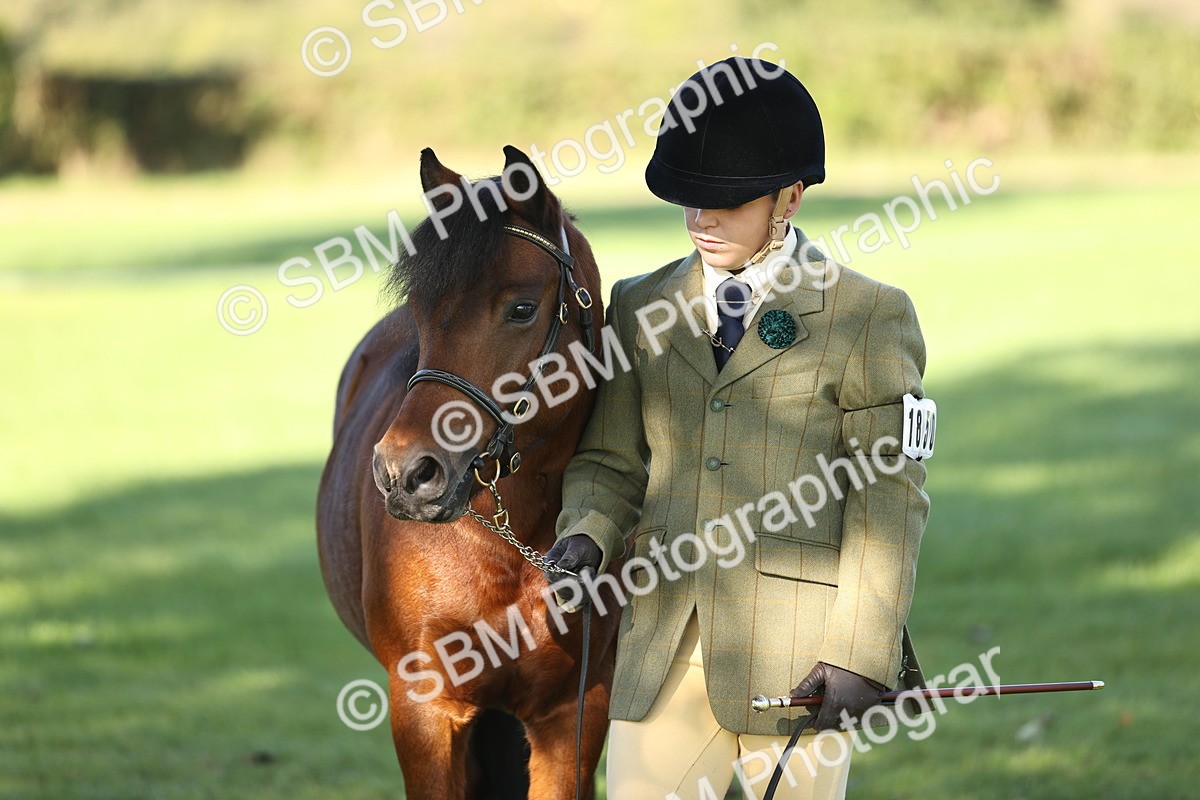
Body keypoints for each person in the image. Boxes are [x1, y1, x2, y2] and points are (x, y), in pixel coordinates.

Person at [546, 56, 932, 800]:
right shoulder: (637, 305)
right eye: (688, 200)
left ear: (788, 196)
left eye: (723, 201)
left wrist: (860, 652)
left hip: (803, 658)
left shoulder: (869, 316)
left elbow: (891, 501)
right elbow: (610, 460)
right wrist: (585, 531)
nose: (700, 219)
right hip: (662, 647)